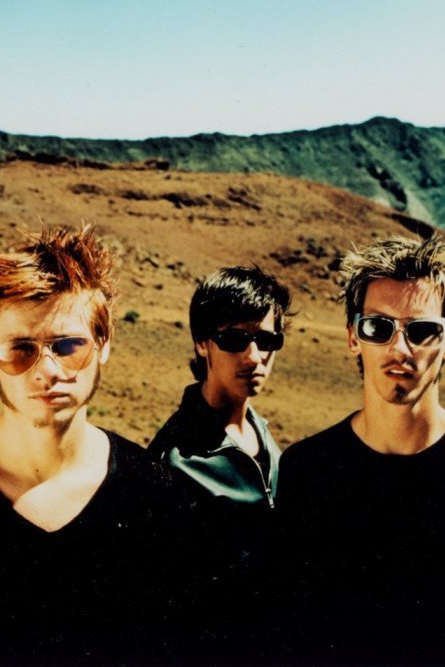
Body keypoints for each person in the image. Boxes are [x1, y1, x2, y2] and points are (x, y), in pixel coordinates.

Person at [0, 225, 195, 665]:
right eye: (21, 348)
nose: (47, 370)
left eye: (69, 346)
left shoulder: (157, 499)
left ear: (103, 345)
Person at [274, 234, 445, 666]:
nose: (400, 349)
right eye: (379, 327)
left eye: (422, 330)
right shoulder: (307, 472)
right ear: (354, 337)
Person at [148, 265, 290, 662]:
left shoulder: (264, 435)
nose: (253, 356)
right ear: (202, 343)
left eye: (266, 340)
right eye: (233, 339)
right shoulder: (174, 461)